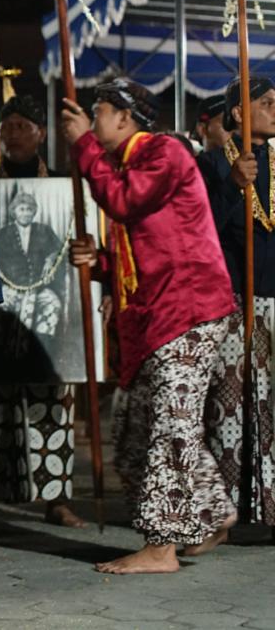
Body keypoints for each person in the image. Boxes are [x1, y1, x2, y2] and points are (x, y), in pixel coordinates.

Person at [62, 77, 236, 574]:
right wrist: (96, 262)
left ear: (124, 116)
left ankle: (162, 545)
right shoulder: (123, 163)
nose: (92, 124)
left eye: (97, 114)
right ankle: (214, 512)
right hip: (152, 317)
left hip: (188, 308)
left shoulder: (165, 153)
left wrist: (83, 147)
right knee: (138, 425)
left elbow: (124, 201)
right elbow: (136, 250)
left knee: (170, 425)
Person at [0, 95, 85, 528]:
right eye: (8, 127)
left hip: (42, 314)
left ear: (40, 133)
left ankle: (56, 498)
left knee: (51, 399)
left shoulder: (63, 186)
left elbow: (68, 254)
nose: (15, 134)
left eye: (24, 126)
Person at [197, 76, 275, 528]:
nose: (274, 108)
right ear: (240, 113)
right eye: (266, 102)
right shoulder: (208, 164)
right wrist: (231, 183)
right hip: (232, 303)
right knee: (232, 405)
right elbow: (202, 226)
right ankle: (227, 511)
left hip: (274, 298)